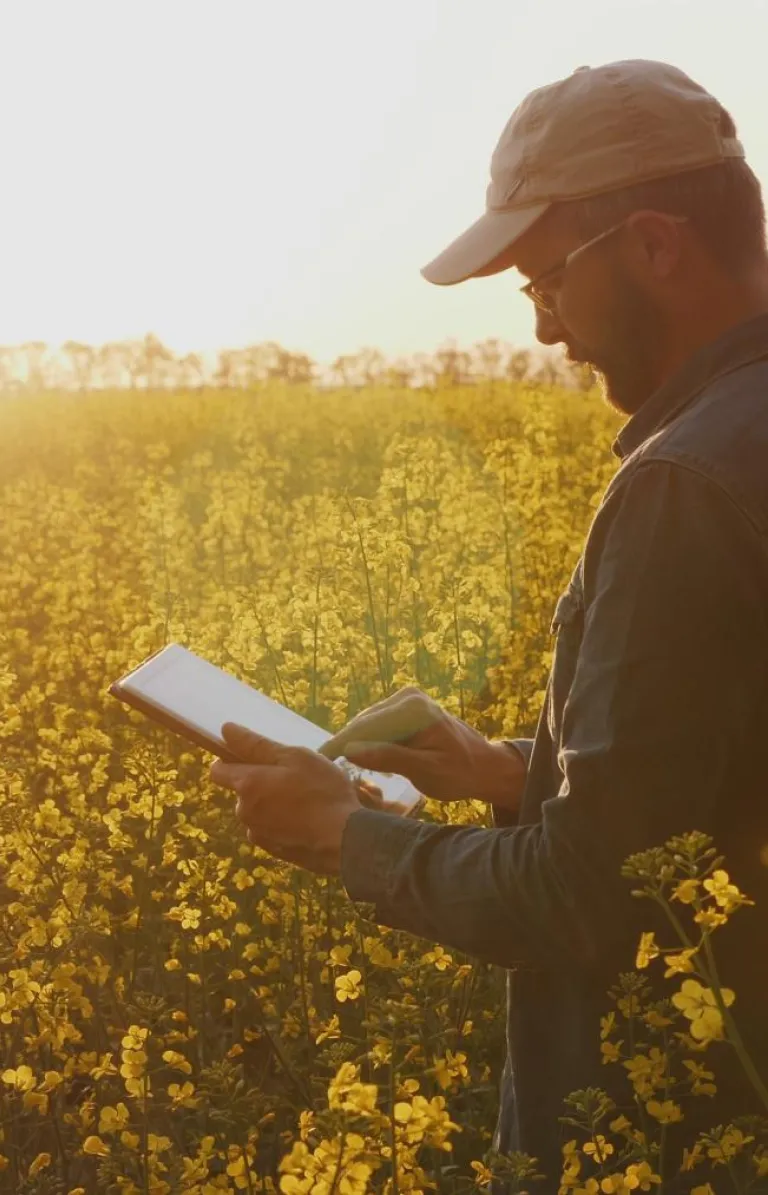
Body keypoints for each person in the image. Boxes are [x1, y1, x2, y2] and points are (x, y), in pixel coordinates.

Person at [209, 60, 768, 1192]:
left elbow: (590, 901)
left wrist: (345, 835)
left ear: (657, 246)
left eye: (545, 280)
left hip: (680, 1139)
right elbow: (720, 796)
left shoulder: (685, 487)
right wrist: (514, 773)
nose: (545, 329)